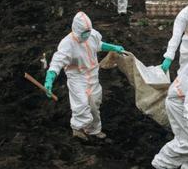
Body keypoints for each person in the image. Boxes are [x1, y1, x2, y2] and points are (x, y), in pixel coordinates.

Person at [44, 12, 126, 141]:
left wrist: (113, 47)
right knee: (81, 104)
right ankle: (77, 129)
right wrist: (50, 78)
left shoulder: (91, 35)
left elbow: (98, 45)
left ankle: (94, 130)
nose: (87, 35)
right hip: (77, 78)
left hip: (93, 75)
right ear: (77, 30)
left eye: (88, 31)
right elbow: (57, 61)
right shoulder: (68, 44)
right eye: (84, 33)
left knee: (94, 104)